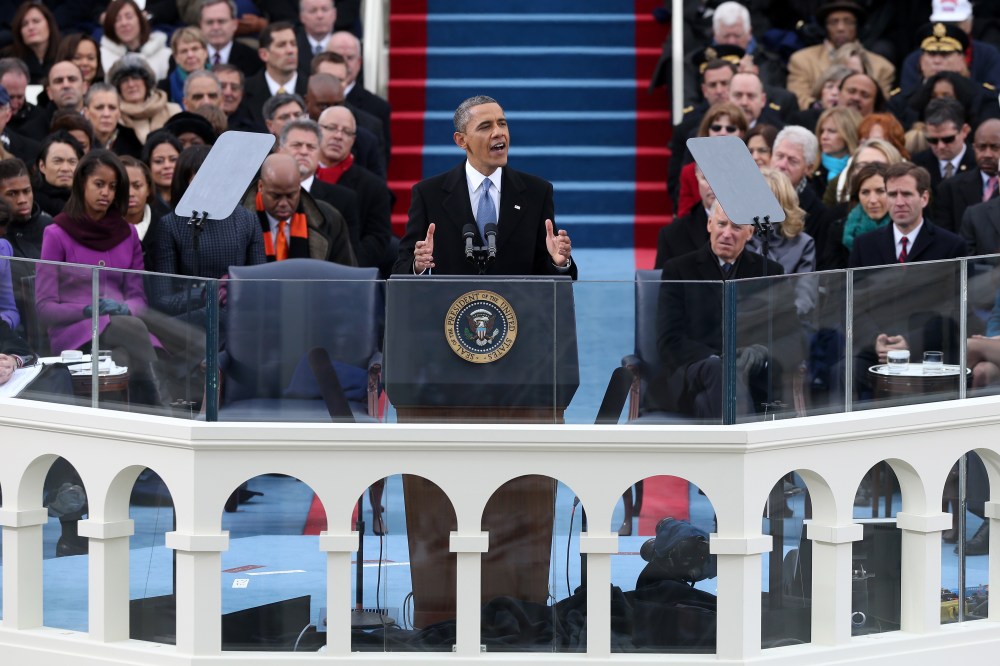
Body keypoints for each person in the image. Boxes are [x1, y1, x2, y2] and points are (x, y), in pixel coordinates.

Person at [35, 149, 168, 407]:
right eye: (99, 184)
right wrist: (87, 311)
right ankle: (165, 409)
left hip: (124, 335)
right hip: (75, 335)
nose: (106, 193)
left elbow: (138, 299)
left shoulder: (127, 234)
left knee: (122, 359)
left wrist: (124, 307)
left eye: (112, 186)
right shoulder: (56, 233)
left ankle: (133, 431)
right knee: (132, 329)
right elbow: (44, 308)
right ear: (82, 183)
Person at [394, 95, 575, 278]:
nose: (498, 132)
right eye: (485, 126)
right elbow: (402, 267)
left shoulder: (537, 192)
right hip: (452, 305)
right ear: (461, 140)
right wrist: (418, 265)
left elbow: (547, 272)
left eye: (502, 124)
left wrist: (558, 263)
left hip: (515, 305)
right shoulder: (429, 194)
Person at [653, 199, 790, 419]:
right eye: (721, 224)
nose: (727, 233)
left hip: (751, 376)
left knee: (707, 400)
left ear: (750, 232)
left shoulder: (770, 272)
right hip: (694, 370)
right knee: (720, 371)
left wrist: (761, 351)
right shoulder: (678, 270)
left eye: (736, 227)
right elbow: (668, 340)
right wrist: (716, 358)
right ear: (709, 224)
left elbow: (790, 335)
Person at [149, 144, 265, 315]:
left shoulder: (247, 220)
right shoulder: (170, 225)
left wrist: (234, 292)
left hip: (240, 317)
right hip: (191, 324)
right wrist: (207, 293)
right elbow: (163, 297)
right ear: (186, 180)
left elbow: (261, 284)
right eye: (201, 176)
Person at [241, 152, 356, 266]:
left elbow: (347, 276)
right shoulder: (238, 222)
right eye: (276, 196)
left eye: (291, 195)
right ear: (261, 186)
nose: (283, 203)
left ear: (299, 186)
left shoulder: (330, 219)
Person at [279, 117, 366, 266]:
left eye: (311, 147)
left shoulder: (344, 199)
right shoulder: (259, 195)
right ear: (279, 150)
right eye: (297, 145)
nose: (304, 152)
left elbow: (347, 260)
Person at [315, 106, 393, 272]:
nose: (338, 136)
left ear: (353, 139)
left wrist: (348, 265)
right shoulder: (299, 176)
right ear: (316, 130)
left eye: (347, 132)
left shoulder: (373, 186)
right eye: (331, 128)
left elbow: (378, 238)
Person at [786, 0, 895, 110]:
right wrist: (822, 106)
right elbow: (798, 100)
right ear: (825, 27)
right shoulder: (802, 60)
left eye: (848, 22)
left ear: (857, 26)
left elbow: (881, 107)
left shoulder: (883, 67)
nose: (841, 28)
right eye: (834, 22)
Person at [326, 31, 391, 161]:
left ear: (359, 62)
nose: (344, 64)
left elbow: (380, 162)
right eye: (337, 57)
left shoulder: (378, 107)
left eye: (350, 58)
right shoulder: (305, 100)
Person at [676, 102, 747, 217]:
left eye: (730, 129)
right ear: (707, 131)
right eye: (716, 128)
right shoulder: (689, 172)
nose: (723, 133)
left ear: (742, 134)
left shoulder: (751, 171)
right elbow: (684, 218)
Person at [937, 119, 1000, 238]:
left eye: (995, 147)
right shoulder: (950, 188)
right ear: (974, 147)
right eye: (981, 147)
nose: (987, 154)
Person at [243, 22, 306, 128]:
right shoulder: (244, 91)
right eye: (281, 45)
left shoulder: (312, 88)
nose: (290, 50)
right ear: (264, 54)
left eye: (293, 44)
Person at [108, 54, 180, 144]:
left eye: (135, 78)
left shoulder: (172, 110)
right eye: (124, 80)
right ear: (118, 87)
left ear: (146, 82)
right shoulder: (115, 115)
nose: (131, 84)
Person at [911, 98, 976, 196]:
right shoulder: (916, 165)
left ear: (964, 131)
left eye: (948, 139)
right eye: (933, 140)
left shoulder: (978, 164)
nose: (940, 146)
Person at [99, 0, 171, 81]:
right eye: (117, 19)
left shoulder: (165, 55)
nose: (124, 23)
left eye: (129, 17)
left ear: (140, 20)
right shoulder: (101, 56)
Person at [198, 0, 262, 78]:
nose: (215, 27)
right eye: (209, 22)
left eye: (221, 21)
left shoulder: (254, 59)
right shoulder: (190, 56)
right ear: (200, 26)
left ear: (234, 24)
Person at [808, 106, 861, 199]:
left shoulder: (860, 171)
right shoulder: (810, 170)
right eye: (822, 131)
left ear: (848, 134)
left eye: (831, 131)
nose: (824, 136)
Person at [2, 1, 60, 84]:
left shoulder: (64, 54)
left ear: (49, 24)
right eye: (25, 24)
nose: (31, 27)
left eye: (36, 21)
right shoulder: (7, 57)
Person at [83, 83, 143, 158]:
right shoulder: (76, 138)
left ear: (119, 113)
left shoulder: (133, 142)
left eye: (112, 108)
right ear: (86, 113)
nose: (106, 114)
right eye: (99, 108)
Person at [33, 131, 84, 217]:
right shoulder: (32, 203)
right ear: (42, 166)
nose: (65, 168)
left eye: (72, 162)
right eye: (57, 161)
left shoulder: (88, 200)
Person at [119, 155, 156, 264]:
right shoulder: (101, 225)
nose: (130, 193)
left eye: (137, 186)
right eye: (123, 186)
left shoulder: (164, 226)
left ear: (148, 189)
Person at [141, 130, 182, 222]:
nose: (167, 166)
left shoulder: (193, 202)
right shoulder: (141, 204)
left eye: (173, 159)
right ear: (148, 166)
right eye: (159, 161)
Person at [164, 27, 209, 106]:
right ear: (176, 57)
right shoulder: (165, 87)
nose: (190, 55)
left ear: (205, 52)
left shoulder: (221, 78)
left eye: (195, 49)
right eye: (184, 51)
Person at [296, 0, 336, 76]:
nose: (320, 16)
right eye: (313, 11)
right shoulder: (293, 46)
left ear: (334, 14)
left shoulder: (347, 46)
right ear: (302, 16)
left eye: (325, 10)